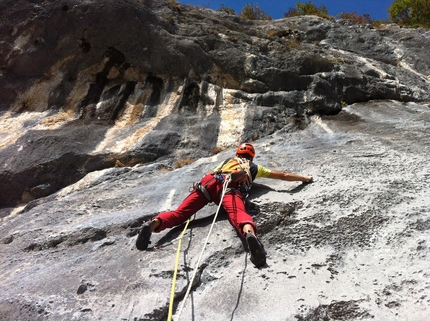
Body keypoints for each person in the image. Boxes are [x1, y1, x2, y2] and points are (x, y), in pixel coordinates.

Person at [136, 143, 313, 267]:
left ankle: (154, 224)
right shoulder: (254, 168)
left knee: (180, 214)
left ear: (238, 153)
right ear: (252, 156)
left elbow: (216, 173)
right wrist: (304, 178)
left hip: (208, 183)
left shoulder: (227, 161)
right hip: (229, 187)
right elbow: (281, 175)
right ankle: (250, 234)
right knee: (239, 215)